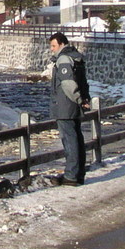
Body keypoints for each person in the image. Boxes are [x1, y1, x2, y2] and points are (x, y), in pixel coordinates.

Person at [49, 32, 91, 186]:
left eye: (53, 45)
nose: (52, 49)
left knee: (70, 140)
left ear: (61, 44)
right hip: (74, 105)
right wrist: (83, 99)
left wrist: (78, 99)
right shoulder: (76, 57)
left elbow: (67, 84)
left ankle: (71, 175)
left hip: (65, 105)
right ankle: (79, 174)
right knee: (77, 139)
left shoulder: (64, 59)